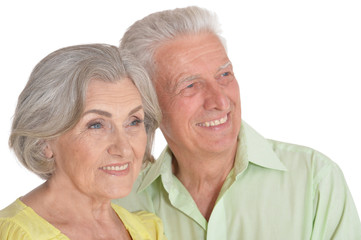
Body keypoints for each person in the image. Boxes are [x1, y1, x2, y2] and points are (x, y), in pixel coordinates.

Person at [114, 6, 361, 240]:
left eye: (224, 75)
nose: (220, 100)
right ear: (147, 104)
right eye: (190, 85)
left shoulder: (315, 180)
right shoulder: (119, 201)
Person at [0, 44, 166, 240]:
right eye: (96, 125)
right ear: (44, 142)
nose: (123, 149)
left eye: (133, 122)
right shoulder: (13, 234)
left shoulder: (149, 230)